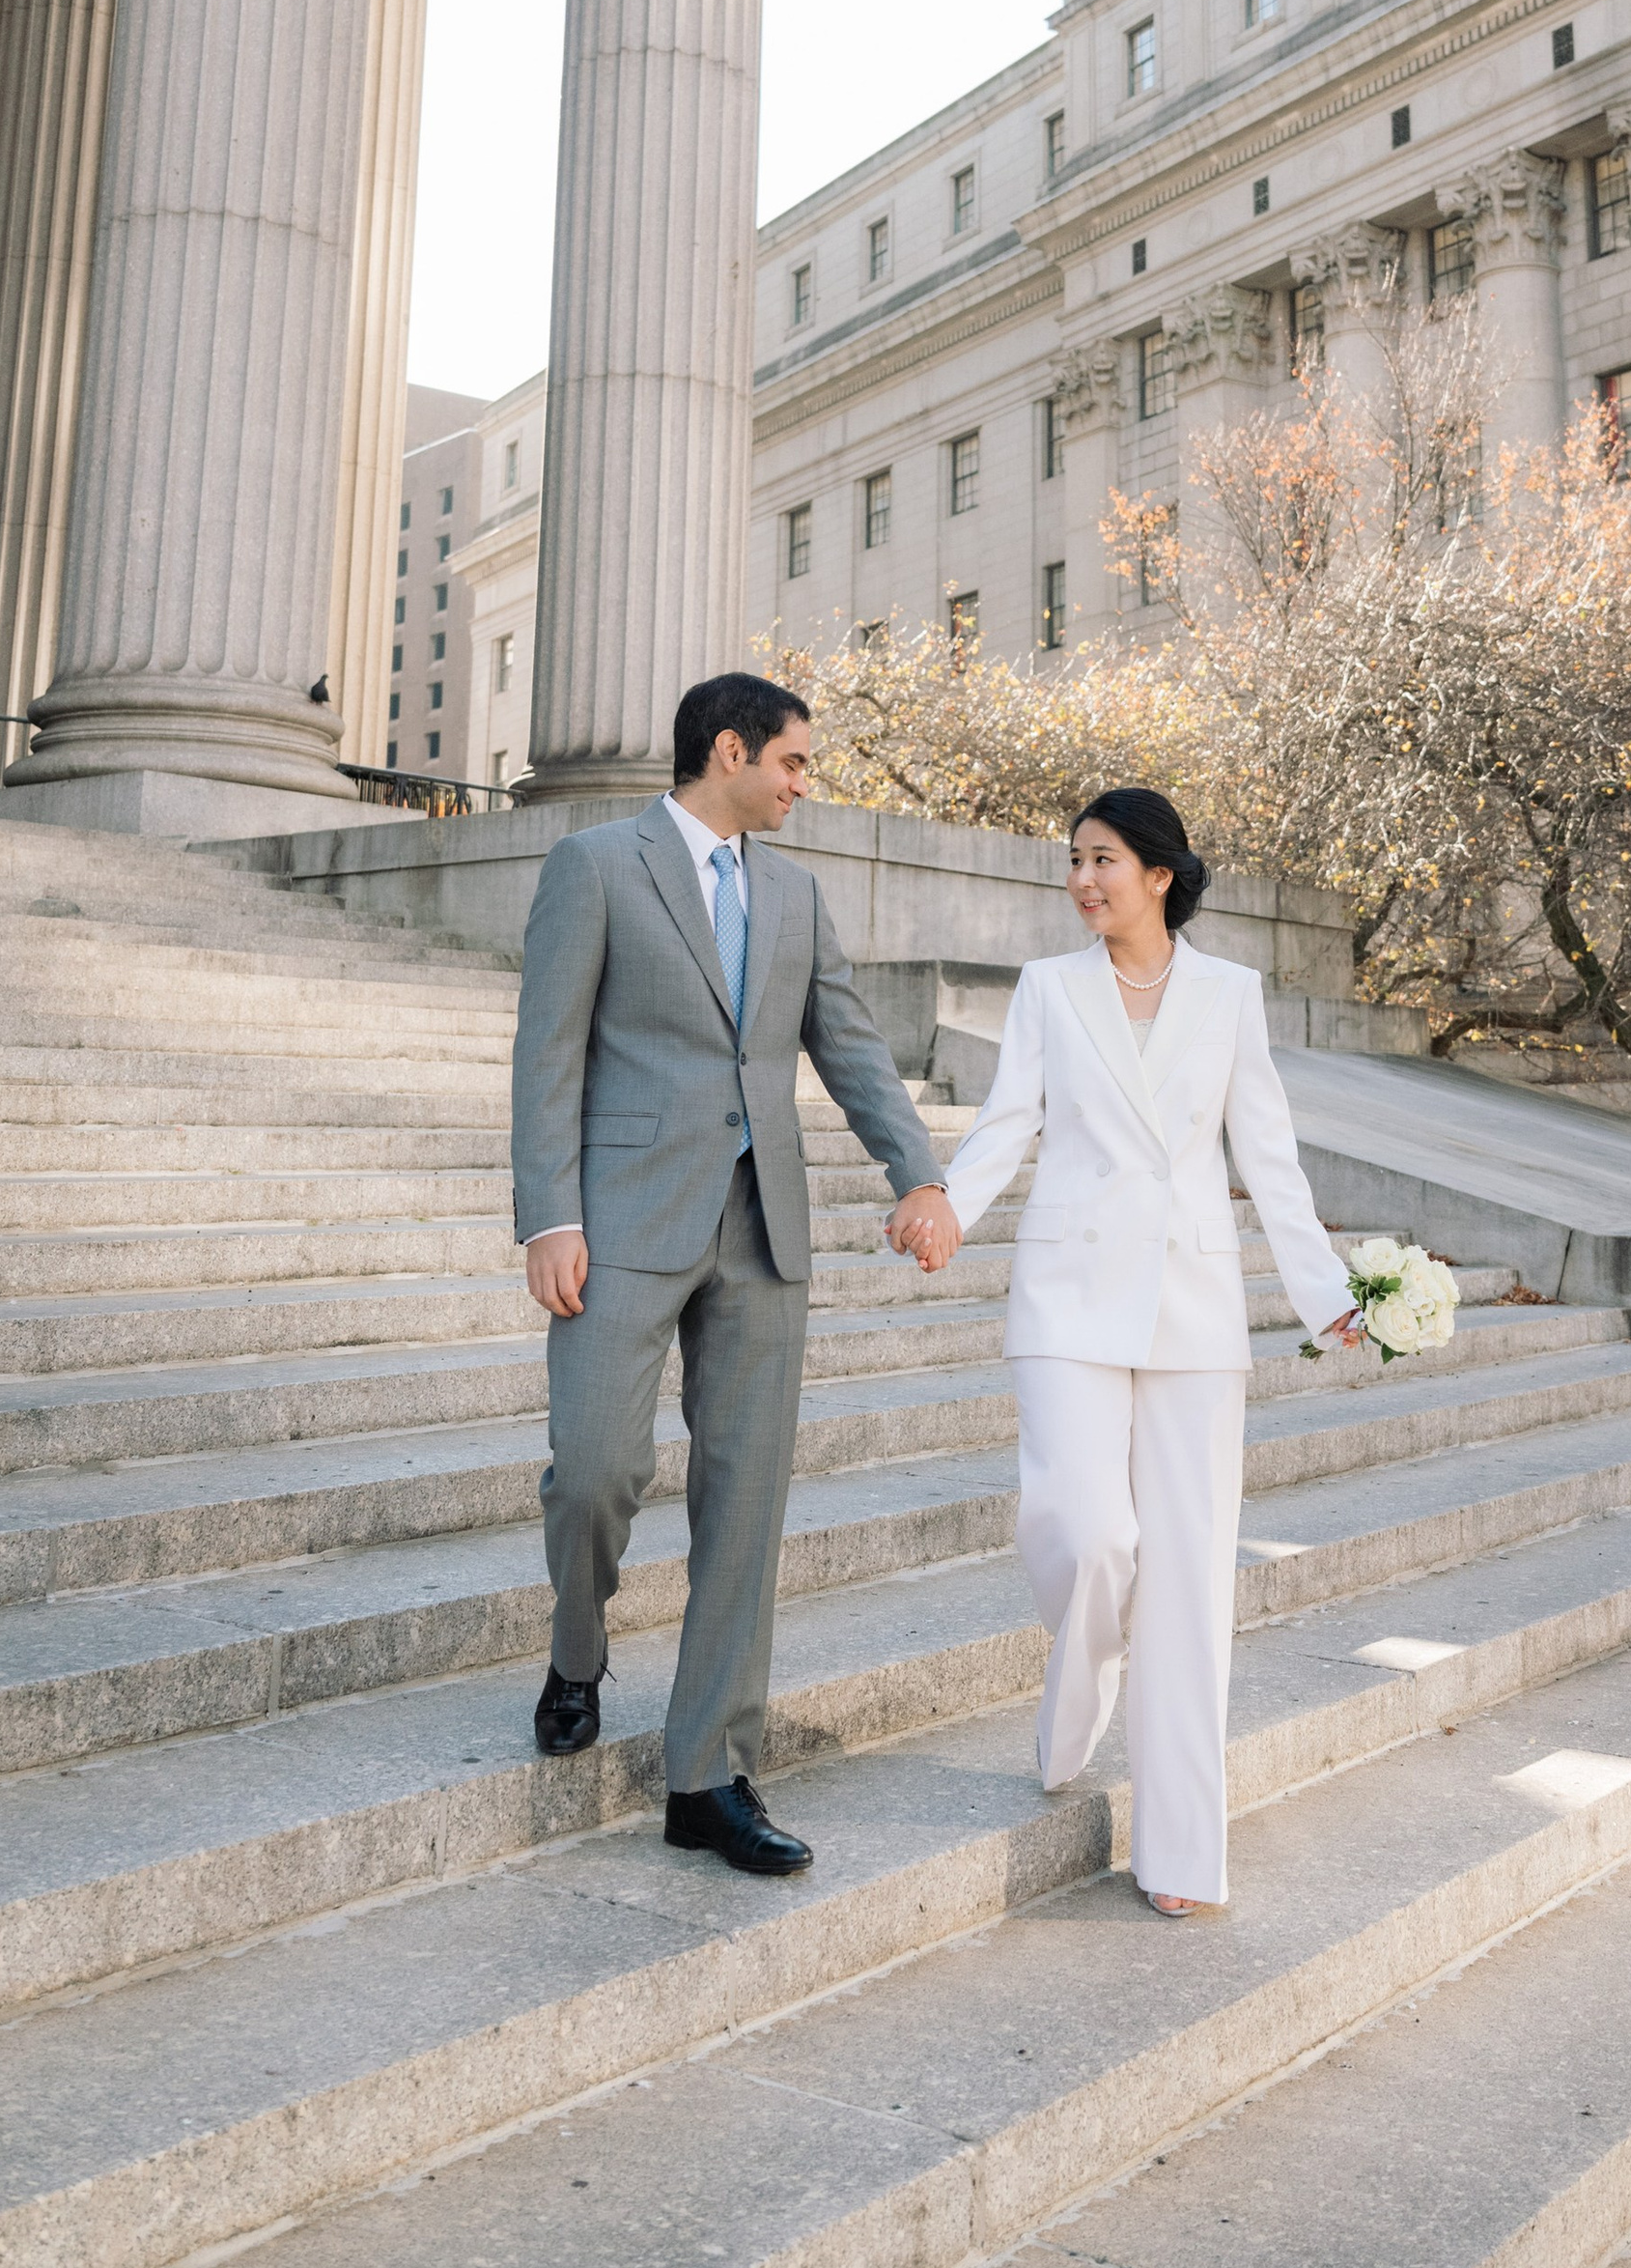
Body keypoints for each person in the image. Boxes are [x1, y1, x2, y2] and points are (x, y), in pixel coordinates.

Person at [886, 788, 1360, 1915]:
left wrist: (1328, 1296)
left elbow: (1271, 1160)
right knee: (1083, 1531)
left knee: (1190, 1577)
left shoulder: (1230, 996)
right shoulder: (1049, 990)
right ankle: (1083, 1671)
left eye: (1103, 860)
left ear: (1159, 873)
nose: (1083, 879)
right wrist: (949, 1203)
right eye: (1074, 861)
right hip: (1066, 1295)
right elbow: (1009, 1119)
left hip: (1192, 1305)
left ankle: (1183, 1850)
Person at [510, 671, 942, 1874]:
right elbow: (545, 1053)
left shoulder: (797, 895)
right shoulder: (596, 866)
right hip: (624, 1219)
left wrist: (920, 1174)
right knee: (595, 1467)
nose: (806, 785)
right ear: (734, 749)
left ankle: (708, 1772)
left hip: (763, 1233)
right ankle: (578, 1647)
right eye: (795, 763)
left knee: (744, 1504)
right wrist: (547, 1217)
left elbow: (849, 1045)